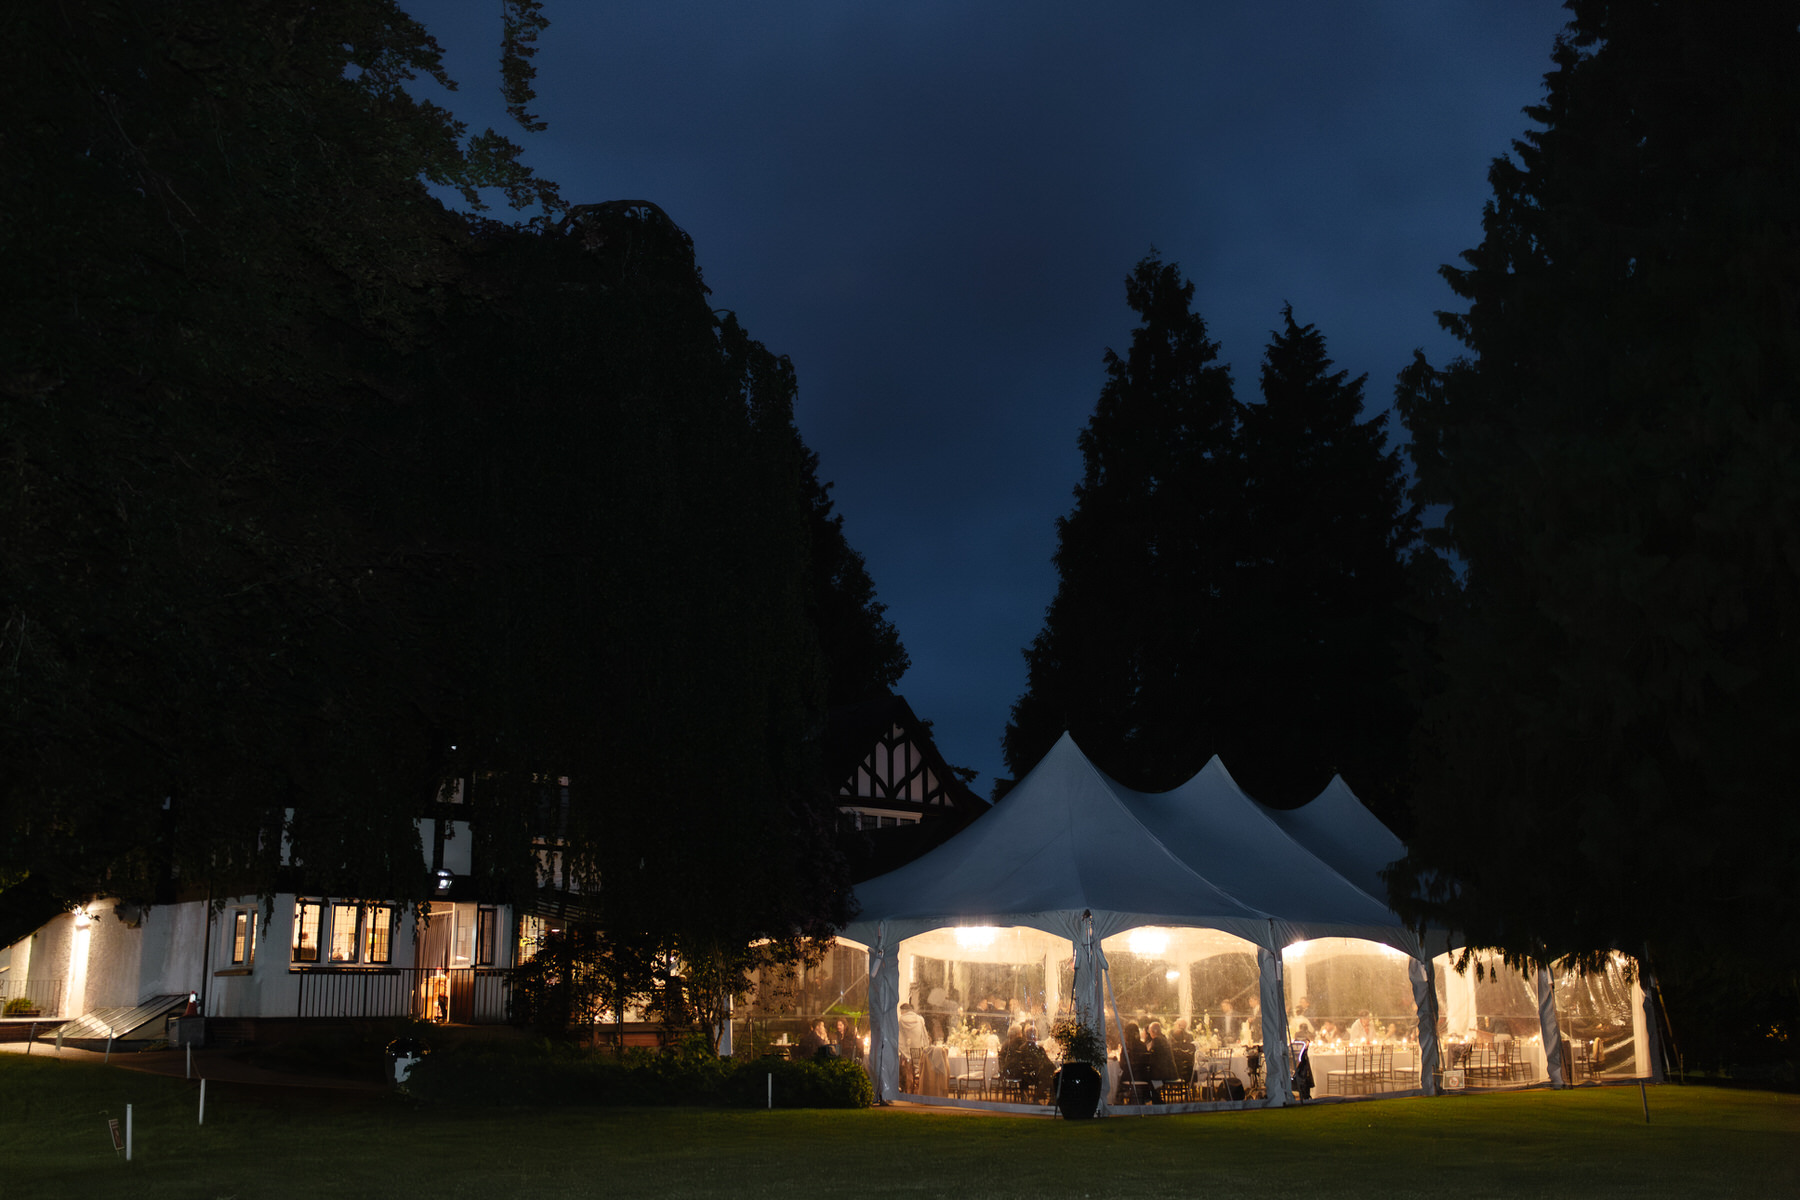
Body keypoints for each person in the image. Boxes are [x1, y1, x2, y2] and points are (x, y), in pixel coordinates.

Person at [898, 1002, 929, 1088]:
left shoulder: (901, 1020)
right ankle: (919, 1088)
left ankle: (908, 1088)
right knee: (919, 1070)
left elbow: (899, 1037)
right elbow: (924, 1035)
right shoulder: (920, 1019)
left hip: (907, 1051)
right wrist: (926, 1046)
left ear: (903, 1011)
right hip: (918, 1050)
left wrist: (901, 1049)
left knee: (908, 1071)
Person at [1145, 1020, 1178, 1101]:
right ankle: (1155, 1097)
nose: (1150, 1034)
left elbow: (1151, 1055)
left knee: (1146, 1077)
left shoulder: (1157, 1040)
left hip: (1164, 1074)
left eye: (1150, 1032)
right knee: (1151, 1078)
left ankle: (1155, 1099)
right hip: (1170, 1072)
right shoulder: (1164, 1039)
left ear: (1154, 1031)